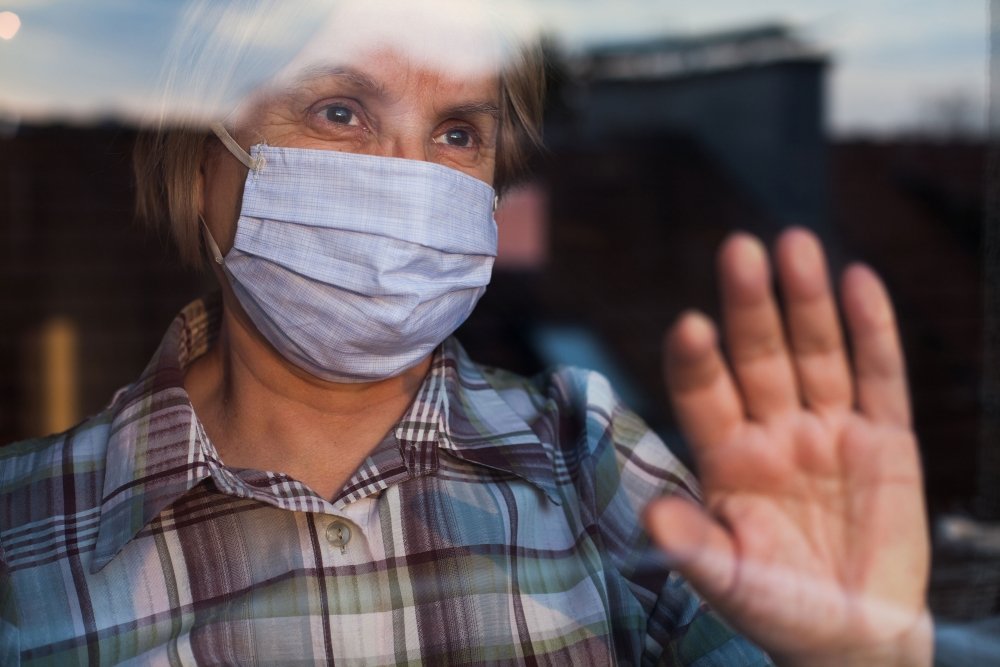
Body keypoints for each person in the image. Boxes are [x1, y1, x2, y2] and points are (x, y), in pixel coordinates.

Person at [0, 1, 931, 664]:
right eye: (340, 111)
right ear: (200, 154)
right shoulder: (23, 529)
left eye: (456, 134)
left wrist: (855, 658)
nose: (410, 182)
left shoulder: (588, 452)